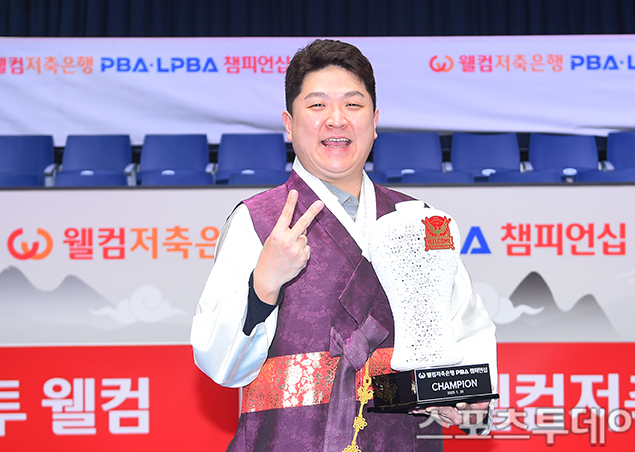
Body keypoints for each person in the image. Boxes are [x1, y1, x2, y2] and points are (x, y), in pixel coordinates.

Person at [191, 39, 497, 451]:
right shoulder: (257, 221)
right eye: (317, 105)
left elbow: (466, 332)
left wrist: (467, 400)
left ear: (375, 121)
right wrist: (262, 285)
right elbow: (220, 365)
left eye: (353, 105)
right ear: (288, 124)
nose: (336, 120)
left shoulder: (421, 222)